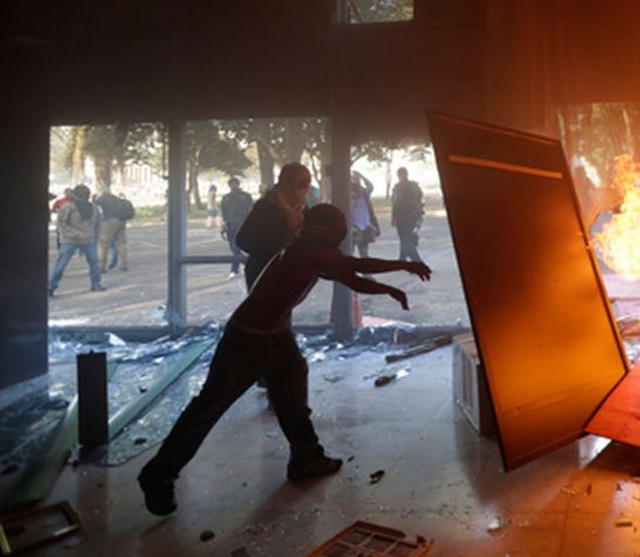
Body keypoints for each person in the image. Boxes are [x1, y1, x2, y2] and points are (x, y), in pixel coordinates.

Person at [138, 203, 431, 516]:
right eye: (339, 227)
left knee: (292, 391)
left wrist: (389, 290)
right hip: (247, 340)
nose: (342, 233)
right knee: (208, 407)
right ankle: (158, 475)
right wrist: (406, 266)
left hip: (275, 337)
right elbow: (357, 264)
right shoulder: (304, 251)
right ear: (324, 230)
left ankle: (306, 457)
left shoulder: (309, 251)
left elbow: (351, 277)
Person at [236, 163, 311, 292]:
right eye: (302, 184)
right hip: (264, 272)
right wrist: (280, 246)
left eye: (306, 184)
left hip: (285, 272)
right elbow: (243, 240)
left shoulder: (300, 209)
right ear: (286, 184)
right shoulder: (266, 207)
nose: (306, 189)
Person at [48, 184, 105, 296]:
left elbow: (98, 223)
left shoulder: (93, 207)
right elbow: (61, 224)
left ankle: (96, 284)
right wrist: (77, 234)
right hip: (70, 241)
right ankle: (50, 287)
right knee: (61, 265)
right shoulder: (68, 206)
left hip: (89, 240)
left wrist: (96, 236)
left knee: (94, 263)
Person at [220, 177, 254, 280]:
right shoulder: (226, 198)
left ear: (238, 184)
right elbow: (224, 211)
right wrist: (224, 223)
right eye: (231, 184)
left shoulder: (246, 196)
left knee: (235, 248)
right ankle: (249, 264)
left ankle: (234, 269)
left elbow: (250, 210)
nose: (233, 186)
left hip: (241, 225)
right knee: (233, 248)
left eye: (235, 184)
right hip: (230, 225)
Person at [390, 167, 424, 263]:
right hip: (413, 216)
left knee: (406, 240)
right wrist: (419, 212)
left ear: (399, 175)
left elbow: (396, 203)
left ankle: (418, 262)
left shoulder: (398, 187)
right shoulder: (415, 186)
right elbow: (421, 200)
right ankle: (402, 260)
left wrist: (393, 217)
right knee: (405, 238)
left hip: (402, 217)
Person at [95, 188, 133, 272]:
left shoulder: (102, 198)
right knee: (121, 243)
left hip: (110, 221)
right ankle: (123, 264)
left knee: (103, 244)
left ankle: (102, 266)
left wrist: (94, 198)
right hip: (122, 220)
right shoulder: (116, 199)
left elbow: (94, 205)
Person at [349, 171, 380, 258]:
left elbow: (370, 186)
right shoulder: (348, 195)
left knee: (364, 253)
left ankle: (365, 269)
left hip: (364, 226)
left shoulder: (364, 195)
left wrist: (361, 176)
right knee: (349, 252)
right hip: (352, 227)